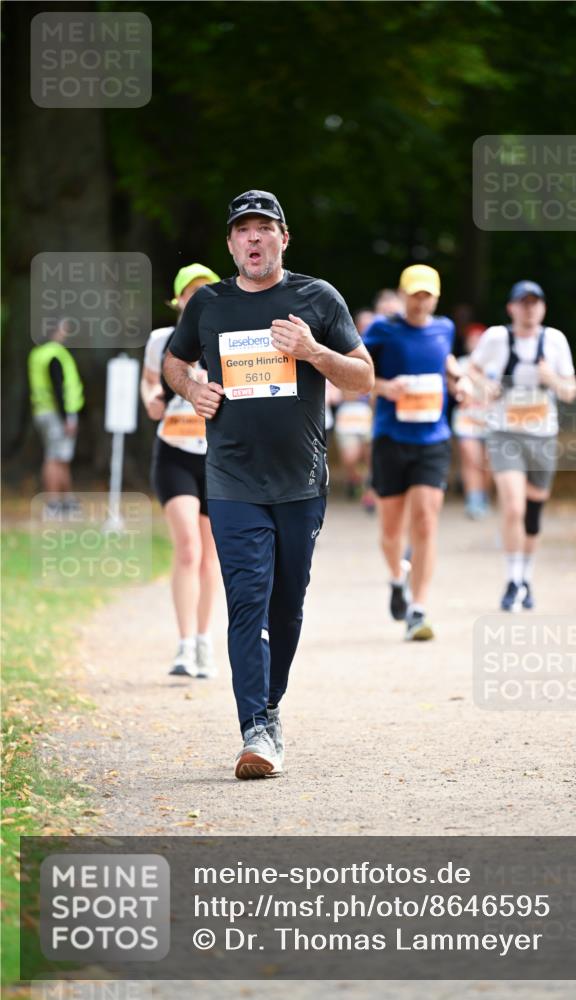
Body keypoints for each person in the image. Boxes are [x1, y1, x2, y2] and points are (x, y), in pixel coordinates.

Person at [163, 189, 373, 779]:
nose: (253, 238)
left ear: (283, 238)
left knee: (286, 605)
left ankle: (271, 705)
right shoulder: (208, 303)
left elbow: (363, 377)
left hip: (301, 481)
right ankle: (255, 728)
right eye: (243, 230)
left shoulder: (317, 298)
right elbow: (174, 362)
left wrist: (314, 351)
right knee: (247, 600)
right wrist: (192, 389)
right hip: (231, 479)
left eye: (264, 228)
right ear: (231, 244)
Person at [365, 264, 472, 641]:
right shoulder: (382, 329)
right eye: (414, 295)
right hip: (391, 439)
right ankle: (398, 578)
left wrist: (458, 380)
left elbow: (445, 359)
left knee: (425, 520)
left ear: (436, 299)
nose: (420, 302)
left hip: (432, 440)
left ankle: (419, 608)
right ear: (402, 295)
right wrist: (383, 388)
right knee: (391, 531)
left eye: (427, 295)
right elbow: (356, 372)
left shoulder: (445, 328)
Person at [469, 281, 576, 611]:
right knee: (513, 507)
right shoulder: (496, 338)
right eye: (523, 303)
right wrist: (485, 385)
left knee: (532, 513)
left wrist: (551, 379)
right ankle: (512, 579)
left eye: (535, 303)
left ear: (543, 308)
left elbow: (570, 391)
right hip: (505, 434)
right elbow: (471, 369)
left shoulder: (555, 340)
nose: (529, 309)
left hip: (542, 436)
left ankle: (526, 577)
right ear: (511, 308)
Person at [141, 263, 223, 678]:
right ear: (178, 300)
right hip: (174, 453)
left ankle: (205, 641)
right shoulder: (161, 340)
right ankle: (185, 645)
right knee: (188, 548)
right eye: (192, 292)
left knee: (210, 556)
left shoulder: (226, 337)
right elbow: (149, 383)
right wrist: (151, 401)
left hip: (217, 458)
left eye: (207, 290)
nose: (199, 298)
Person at [28, 319, 84, 513]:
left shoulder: (38, 353)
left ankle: (66, 500)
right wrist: (67, 417)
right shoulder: (55, 354)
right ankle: (53, 503)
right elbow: (58, 387)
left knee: (61, 456)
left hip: (41, 411)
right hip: (56, 413)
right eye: (64, 329)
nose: (66, 333)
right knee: (54, 458)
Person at [333, 308, 375, 507]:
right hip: (348, 413)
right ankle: (355, 481)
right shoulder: (345, 347)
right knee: (350, 457)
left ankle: (369, 491)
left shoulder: (379, 347)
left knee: (370, 455)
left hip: (368, 412)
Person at [451, 323, 492, 519]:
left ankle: (484, 495)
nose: (475, 344)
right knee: (471, 460)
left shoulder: (495, 365)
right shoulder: (460, 364)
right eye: (472, 340)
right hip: (467, 420)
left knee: (488, 463)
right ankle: (473, 501)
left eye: (479, 340)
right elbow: (453, 391)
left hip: (491, 421)